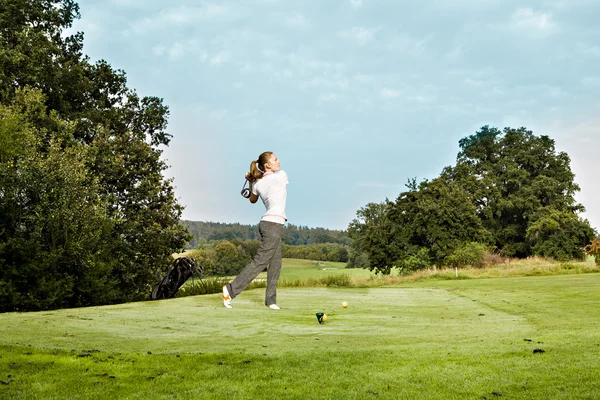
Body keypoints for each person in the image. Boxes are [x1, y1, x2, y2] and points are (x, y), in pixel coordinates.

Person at [222, 151, 288, 309]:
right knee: (260, 262)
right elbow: (262, 189)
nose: (279, 161)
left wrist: (251, 180)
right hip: (272, 224)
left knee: (276, 264)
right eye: (275, 159)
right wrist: (254, 178)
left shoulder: (258, 184)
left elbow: (252, 199)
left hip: (270, 224)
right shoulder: (281, 176)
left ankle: (271, 301)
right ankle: (230, 290)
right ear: (268, 165)